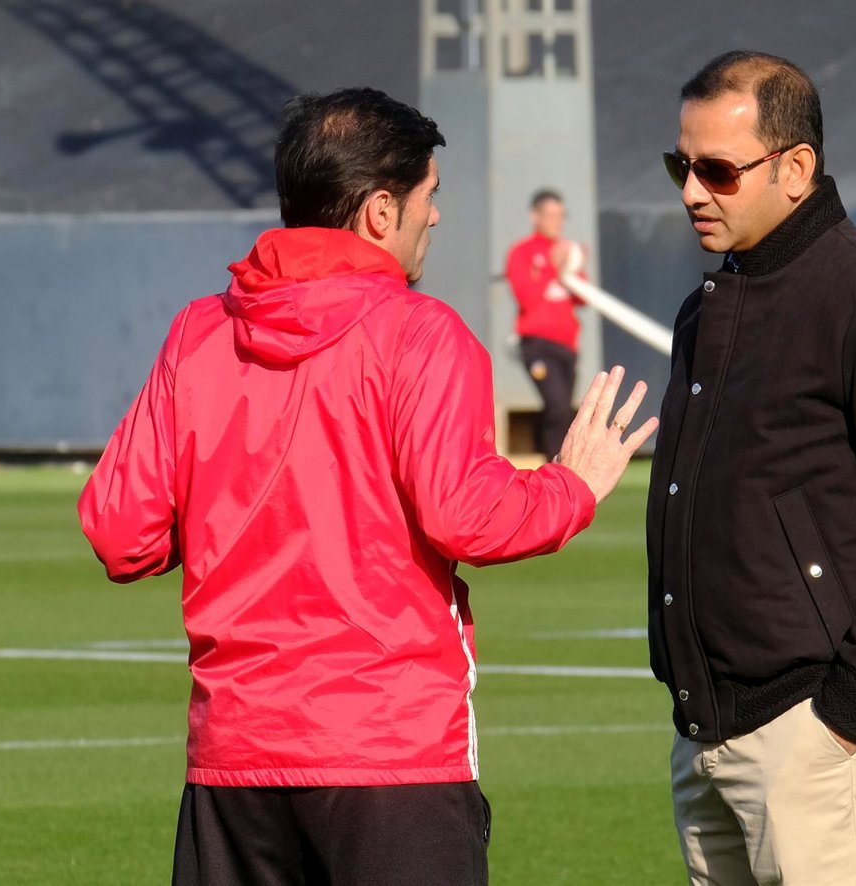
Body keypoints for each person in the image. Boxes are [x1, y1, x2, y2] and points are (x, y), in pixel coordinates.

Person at [77, 86, 656, 886]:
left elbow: (121, 531)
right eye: (430, 195)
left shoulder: (199, 333)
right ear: (382, 211)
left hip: (235, 761)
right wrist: (573, 486)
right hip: (391, 752)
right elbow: (469, 516)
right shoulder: (422, 334)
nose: (436, 216)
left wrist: (229, 498)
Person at [646, 51, 856, 886]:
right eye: (680, 167)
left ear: (795, 168)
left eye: (718, 170)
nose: (692, 192)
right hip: (709, 729)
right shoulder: (707, 308)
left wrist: (844, 711)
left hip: (816, 729)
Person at [505, 189, 586, 460]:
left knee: (564, 410)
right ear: (535, 216)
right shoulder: (522, 252)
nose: (556, 222)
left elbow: (583, 297)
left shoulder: (566, 251)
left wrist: (572, 265)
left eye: (560, 216)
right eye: (551, 215)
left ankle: (561, 466)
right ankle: (554, 465)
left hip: (567, 346)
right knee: (556, 405)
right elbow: (526, 298)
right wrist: (553, 267)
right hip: (537, 345)